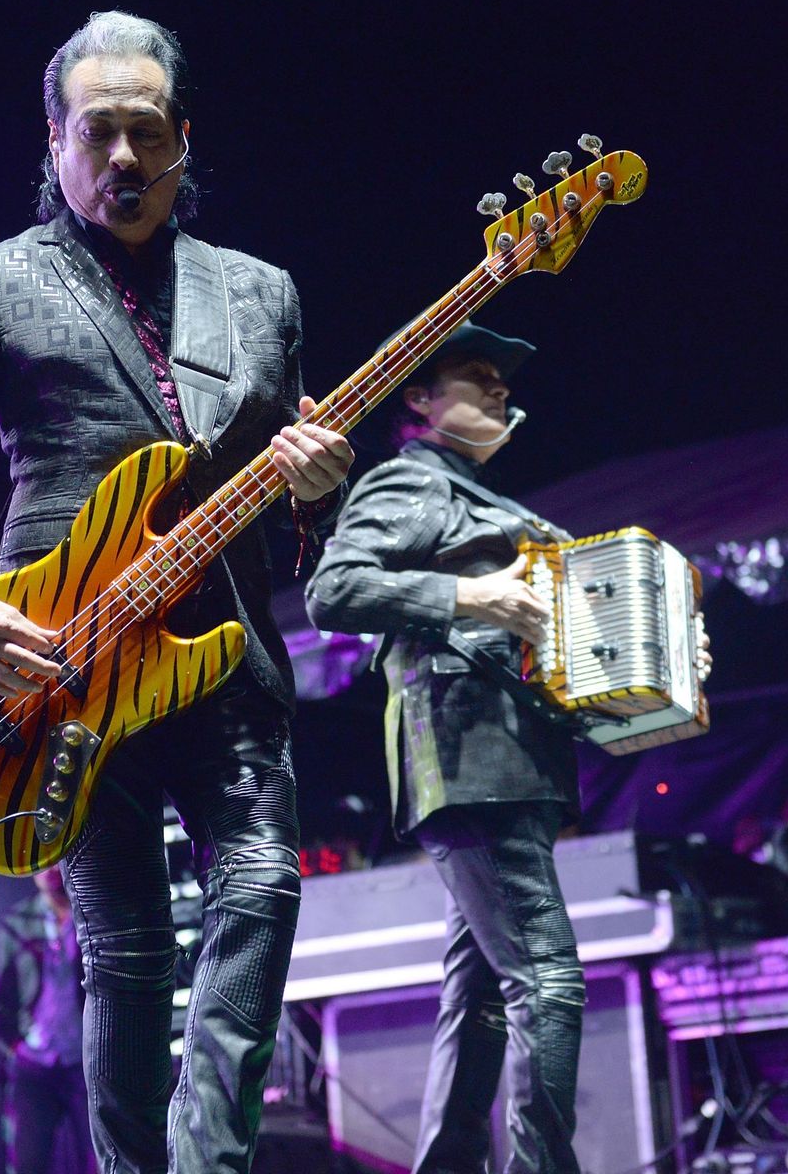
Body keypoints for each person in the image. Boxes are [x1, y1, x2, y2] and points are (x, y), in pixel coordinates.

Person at [0, 12, 353, 1173]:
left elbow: (297, 522)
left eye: (147, 131)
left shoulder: (260, 295)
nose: (124, 156)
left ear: (185, 139)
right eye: (98, 132)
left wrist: (318, 490)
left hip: (223, 645)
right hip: (63, 663)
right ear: (56, 141)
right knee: (128, 950)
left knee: (263, 892)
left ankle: (208, 1162)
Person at [305, 322, 585, 1173]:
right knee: (549, 981)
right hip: (470, 761)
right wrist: (470, 597)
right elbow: (333, 589)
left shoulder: (479, 496)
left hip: (513, 762)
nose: (499, 387)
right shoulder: (411, 481)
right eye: (475, 374)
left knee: (481, 998)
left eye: (502, 378)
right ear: (419, 400)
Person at [0, 867, 95, 1174]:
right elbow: (1, 996)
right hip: (35, 1063)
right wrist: (15, 1047)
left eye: (54, 861)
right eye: (40, 863)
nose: (48, 870)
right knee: (28, 1162)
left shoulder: (91, 916)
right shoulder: (17, 923)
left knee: (100, 1158)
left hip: (85, 1061)